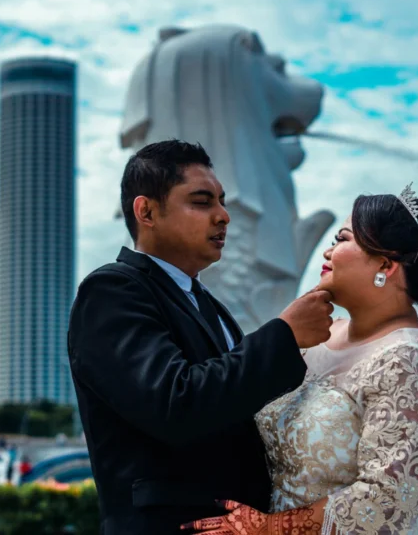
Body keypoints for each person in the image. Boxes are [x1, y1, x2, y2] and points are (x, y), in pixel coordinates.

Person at [184, 188, 418, 534]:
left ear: (385, 265)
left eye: (341, 239)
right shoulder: (313, 338)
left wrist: (268, 529)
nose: (327, 252)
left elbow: (388, 501)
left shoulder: (409, 359)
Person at [67, 140, 333, 534]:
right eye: (202, 201)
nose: (223, 216)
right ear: (147, 211)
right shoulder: (111, 291)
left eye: (222, 202)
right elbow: (175, 405)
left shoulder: (206, 302)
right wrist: (284, 336)